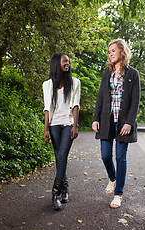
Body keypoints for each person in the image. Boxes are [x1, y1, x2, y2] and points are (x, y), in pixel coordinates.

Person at [92, 38, 140, 208]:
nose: (110, 54)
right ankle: (112, 178)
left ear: (122, 51)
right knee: (105, 155)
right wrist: (95, 118)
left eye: (113, 50)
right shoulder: (107, 72)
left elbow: (135, 101)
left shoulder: (133, 74)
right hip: (106, 120)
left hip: (123, 123)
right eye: (109, 51)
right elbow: (101, 97)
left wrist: (129, 122)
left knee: (121, 158)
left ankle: (118, 194)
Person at [43, 52, 81, 210]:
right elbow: (47, 108)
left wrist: (75, 125)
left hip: (67, 124)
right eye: (65, 61)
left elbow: (76, 105)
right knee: (59, 158)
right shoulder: (47, 84)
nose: (68, 64)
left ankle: (55, 194)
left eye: (68, 62)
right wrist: (45, 129)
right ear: (56, 63)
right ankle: (65, 189)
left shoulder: (75, 82)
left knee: (62, 156)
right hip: (53, 125)